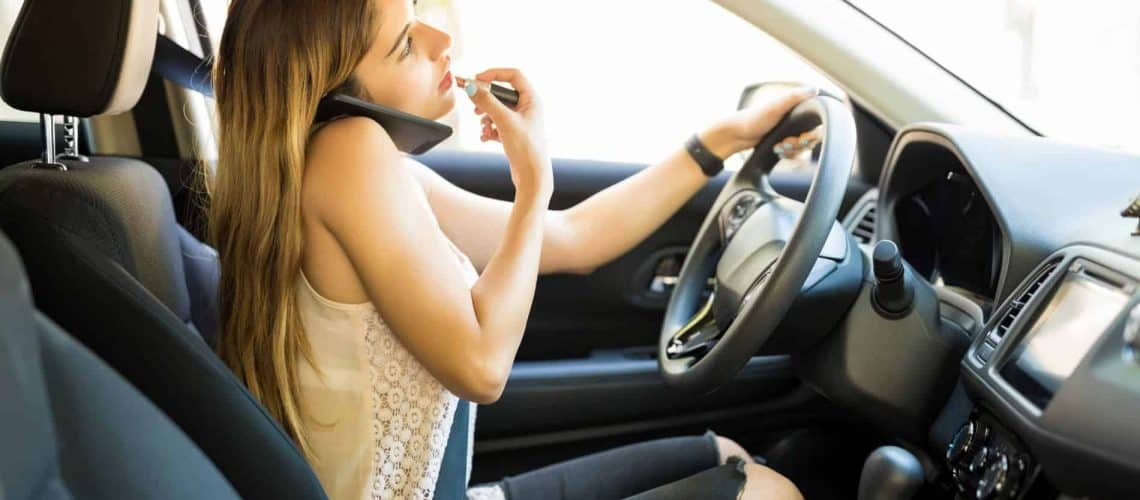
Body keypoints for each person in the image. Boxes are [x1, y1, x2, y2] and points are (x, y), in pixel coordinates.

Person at [209, 0, 815, 498]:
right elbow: (481, 366)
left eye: (417, 10)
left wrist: (719, 141)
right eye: (403, 44)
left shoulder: (362, 169)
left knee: (727, 457)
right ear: (336, 92)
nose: (438, 38)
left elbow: (575, 239)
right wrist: (533, 187)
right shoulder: (350, 153)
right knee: (766, 491)